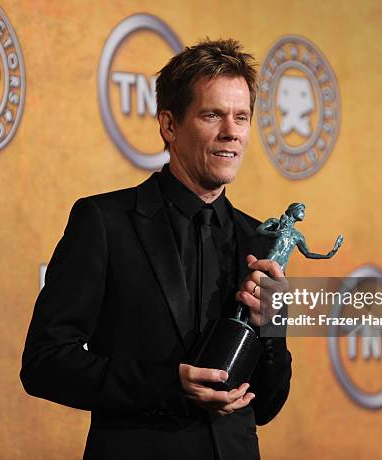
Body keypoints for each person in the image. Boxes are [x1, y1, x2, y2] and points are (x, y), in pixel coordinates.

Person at [20, 38, 292, 460]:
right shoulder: (105, 222)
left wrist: (272, 329)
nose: (232, 132)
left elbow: (268, 405)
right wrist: (166, 385)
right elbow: (45, 363)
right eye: (212, 115)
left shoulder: (260, 240)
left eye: (242, 117)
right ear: (169, 125)